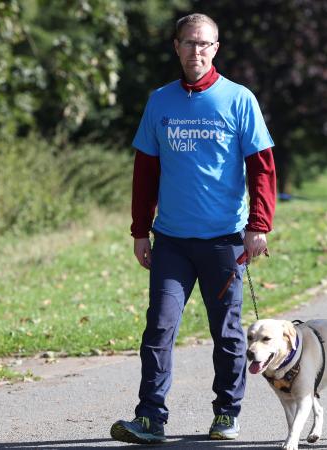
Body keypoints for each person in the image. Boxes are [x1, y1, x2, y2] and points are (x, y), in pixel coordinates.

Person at [110, 13, 276, 444]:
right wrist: (140, 231)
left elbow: (262, 168)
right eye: (189, 43)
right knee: (159, 326)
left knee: (225, 331)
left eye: (204, 44)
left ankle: (227, 413)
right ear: (176, 47)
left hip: (224, 241)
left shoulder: (239, 99)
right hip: (172, 242)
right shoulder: (160, 101)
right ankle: (150, 417)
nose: (196, 51)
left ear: (215, 48)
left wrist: (259, 224)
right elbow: (145, 171)